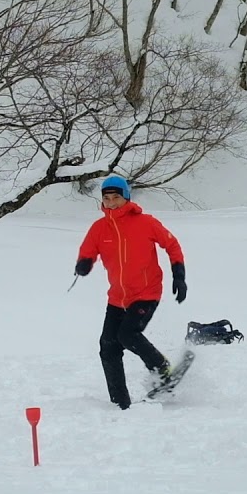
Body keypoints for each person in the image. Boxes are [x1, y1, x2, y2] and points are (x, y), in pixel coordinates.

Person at [74, 175, 186, 410]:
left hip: (146, 292)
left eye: (116, 197)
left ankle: (164, 371)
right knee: (108, 346)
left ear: (126, 198)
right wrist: (84, 262)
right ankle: (119, 402)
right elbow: (88, 249)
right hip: (117, 298)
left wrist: (179, 274)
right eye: (107, 198)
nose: (111, 202)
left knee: (127, 335)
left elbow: (172, 245)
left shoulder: (146, 222)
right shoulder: (99, 227)